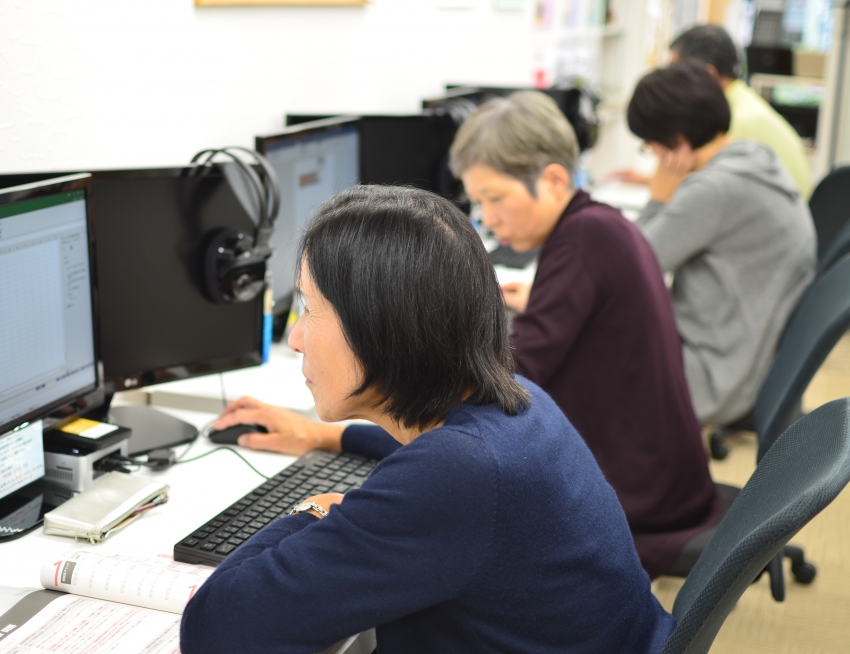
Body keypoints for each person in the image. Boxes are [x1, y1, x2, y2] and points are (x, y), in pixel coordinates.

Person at [216, 92, 719, 580]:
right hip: (655, 472)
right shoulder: (599, 227)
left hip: (639, 490)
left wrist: (333, 435)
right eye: (478, 202)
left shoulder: (587, 240)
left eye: (495, 199)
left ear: (554, 180)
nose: (490, 220)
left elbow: (482, 410)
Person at [180, 185, 675, 654]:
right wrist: (325, 434)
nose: (295, 338)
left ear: (381, 327)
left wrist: (311, 511)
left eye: (310, 308)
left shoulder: (456, 476)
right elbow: (449, 456)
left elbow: (214, 631)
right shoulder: (521, 404)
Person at [628, 61, 816, 427]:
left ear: (676, 143)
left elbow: (632, 265)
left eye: (649, 145)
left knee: (571, 345)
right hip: (740, 354)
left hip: (710, 375)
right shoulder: (753, 158)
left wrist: (658, 198)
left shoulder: (713, 190)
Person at [612, 24, 813, 200]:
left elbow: (701, 190)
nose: (671, 81)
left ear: (707, 73)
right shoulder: (742, 101)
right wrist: (649, 180)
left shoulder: (731, 120)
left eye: (677, 71)